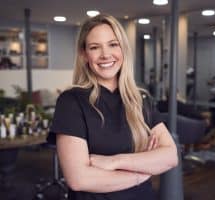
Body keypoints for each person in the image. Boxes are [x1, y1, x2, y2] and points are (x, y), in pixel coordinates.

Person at [47, 14, 178, 200]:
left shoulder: (140, 100)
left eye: (113, 44)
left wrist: (115, 161)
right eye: (94, 47)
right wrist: (142, 171)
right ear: (84, 55)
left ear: (123, 49)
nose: (105, 54)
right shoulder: (71, 102)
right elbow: (79, 179)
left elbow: (170, 156)